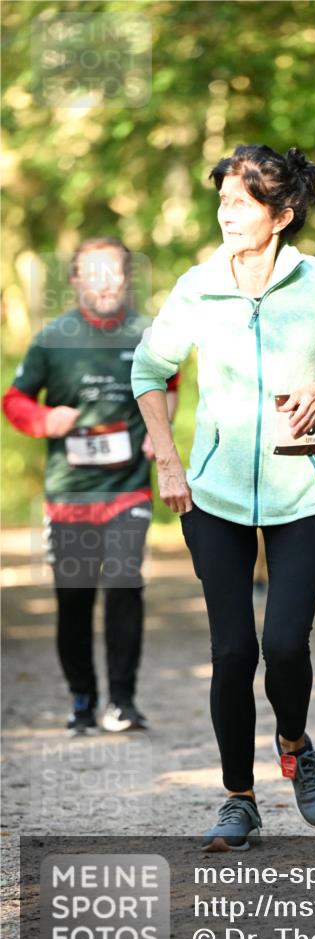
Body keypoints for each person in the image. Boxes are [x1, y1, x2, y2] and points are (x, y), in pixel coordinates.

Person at [131, 143, 315, 851]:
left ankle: (296, 746)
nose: (226, 214)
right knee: (231, 652)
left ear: (280, 215)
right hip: (212, 496)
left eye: (241, 203)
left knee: (283, 644)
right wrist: (169, 463)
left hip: (301, 494)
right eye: (221, 201)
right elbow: (148, 370)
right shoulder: (198, 286)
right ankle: (238, 801)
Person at [2, 237, 180, 735]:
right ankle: (82, 698)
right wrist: (44, 420)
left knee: (125, 584)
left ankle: (122, 701)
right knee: (74, 598)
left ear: (128, 277)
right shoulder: (52, 339)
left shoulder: (149, 334)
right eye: (93, 272)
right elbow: (14, 400)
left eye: (114, 271)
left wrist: (158, 434)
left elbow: (169, 387)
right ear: (76, 279)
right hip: (71, 494)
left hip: (128, 488)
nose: (104, 283)